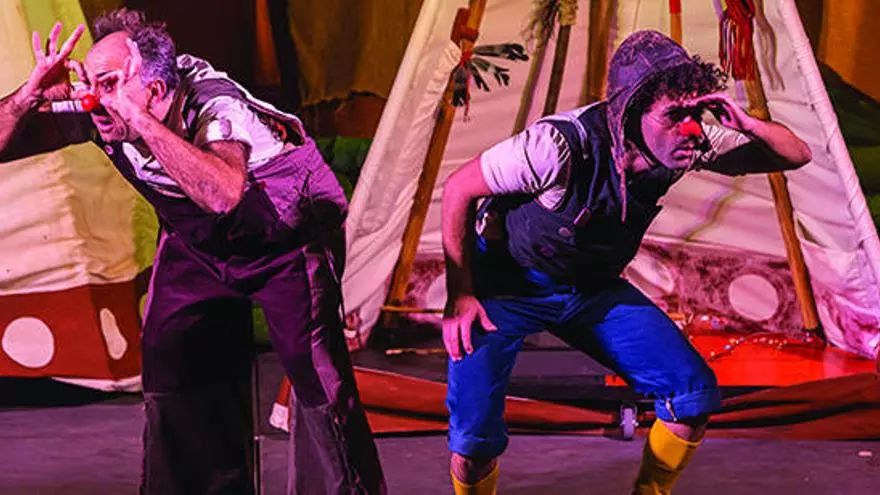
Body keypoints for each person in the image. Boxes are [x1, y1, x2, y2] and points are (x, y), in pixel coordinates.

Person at [0, 9, 385, 494]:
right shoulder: (105, 110)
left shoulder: (217, 106)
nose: (93, 97)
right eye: (90, 82)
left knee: (317, 379)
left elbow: (223, 194)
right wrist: (27, 99)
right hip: (197, 244)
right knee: (172, 358)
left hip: (287, 238)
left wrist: (138, 118)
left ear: (156, 91)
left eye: (109, 84)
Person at [440, 30, 812, 495]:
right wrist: (460, 292)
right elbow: (459, 188)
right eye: (675, 116)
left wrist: (746, 123)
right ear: (631, 113)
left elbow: (797, 154)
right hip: (507, 286)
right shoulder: (556, 145)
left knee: (691, 396)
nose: (691, 129)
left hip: (590, 289)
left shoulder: (689, 143)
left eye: (696, 114)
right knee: (474, 442)